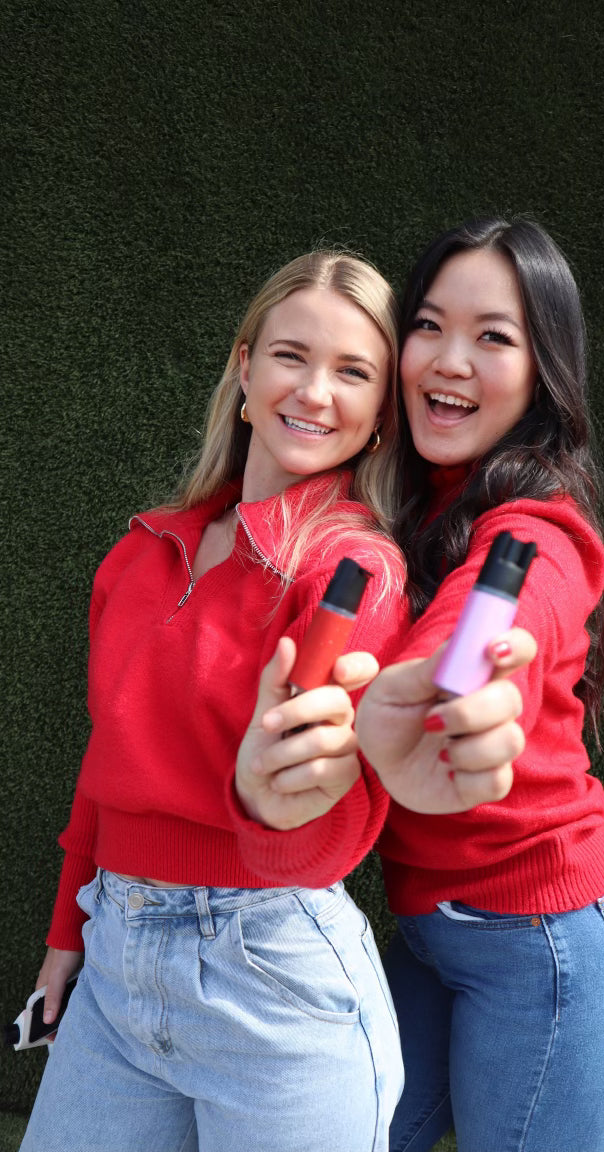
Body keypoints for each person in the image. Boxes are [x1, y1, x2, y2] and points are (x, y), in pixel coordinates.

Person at [22, 250, 416, 1152]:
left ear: (381, 414)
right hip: (116, 959)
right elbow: (103, 766)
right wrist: (64, 936)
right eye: (290, 355)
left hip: (273, 974)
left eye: (353, 371)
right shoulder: (142, 554)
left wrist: (279, 785)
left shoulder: (355, 573)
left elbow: (330, 827)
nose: (314, 391)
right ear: (244, 367)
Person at [355, 217, 604, 1152]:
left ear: (544, 373)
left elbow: (498, 614)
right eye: (428, 325)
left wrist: (443, 688)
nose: (450, 360)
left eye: (494, 337)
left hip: (556, 953)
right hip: (434, 937)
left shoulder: (541, 528)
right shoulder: (404, 503)